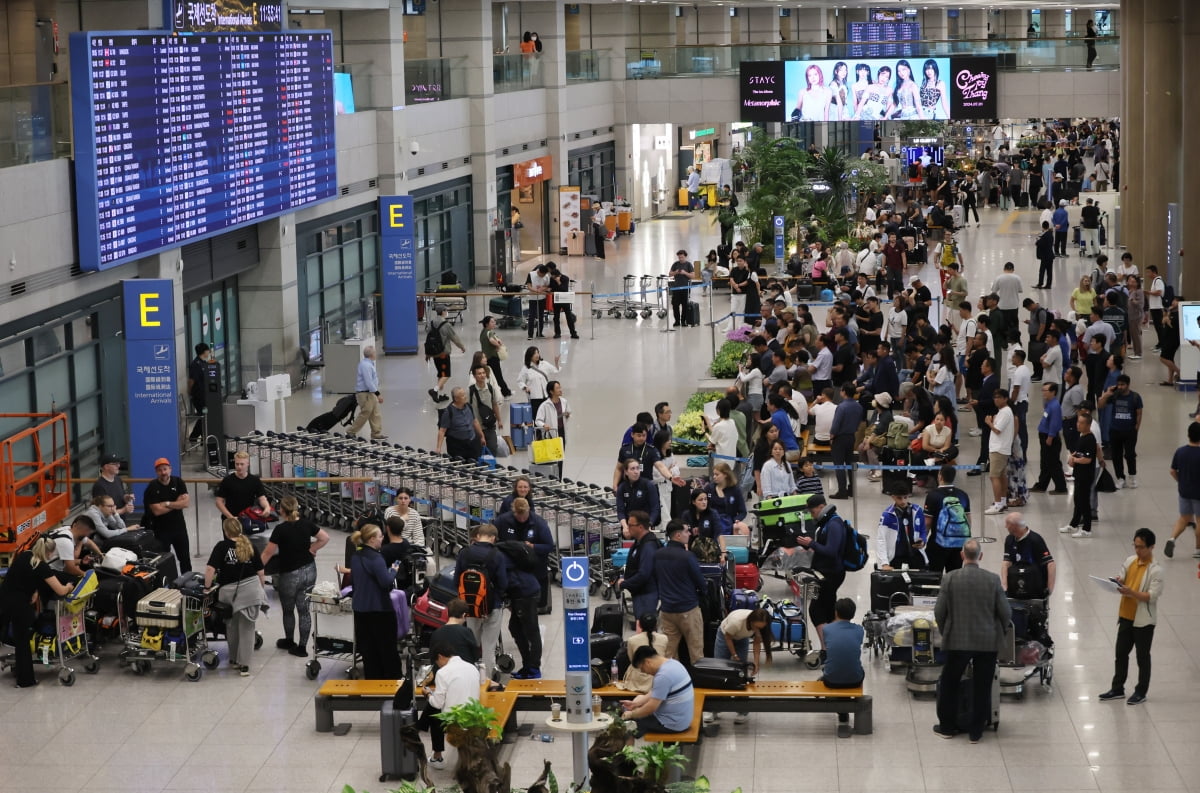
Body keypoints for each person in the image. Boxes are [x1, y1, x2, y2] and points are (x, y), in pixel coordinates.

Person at [933, 539, 1010, 742]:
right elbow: (1006, 613)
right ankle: (976, 731)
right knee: (983, 686)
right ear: (981, 556)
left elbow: (939, 612)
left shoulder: (950, 578)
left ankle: (948, 727)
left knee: (950, 682)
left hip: (957, 641)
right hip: (987, 642)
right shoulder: (993, 580)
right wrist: (998, 632)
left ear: (961, 555)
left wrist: (946, 631)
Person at [1097, 529, 1163, 706]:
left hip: (1143, 621)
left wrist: (1131, 592)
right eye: (1135, 546)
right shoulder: (1130, 561)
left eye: (1141, 547)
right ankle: (1117, 688)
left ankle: (1141, 691)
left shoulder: (1156, 571)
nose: (1137, 550)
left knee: (1142, 657)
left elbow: (1151, 596)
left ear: (1151, 547)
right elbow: (1123, 577)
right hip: (1126, 616)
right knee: (1120, 654)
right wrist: (1118, 581)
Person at [0, 535, 74, 687]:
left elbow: (21, 576)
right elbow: (60, 590)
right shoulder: (42, 566)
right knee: (22, 643)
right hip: (20, 605)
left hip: (4, 599)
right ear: (48, 553)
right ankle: (25, 681)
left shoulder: (24, 555)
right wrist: (69, 587)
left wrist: (34, 591)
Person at [260, 496, 329, 656]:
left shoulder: (281, 529)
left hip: (289, 574)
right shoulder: (306, 524)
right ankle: (302, 647)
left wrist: (257, 569)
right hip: (309, 570)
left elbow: (268, 552)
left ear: (282, 511)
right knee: (304, 610)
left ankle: (289, 640)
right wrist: (313, 549)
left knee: (288, 610)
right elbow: (325, 537)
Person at [204, 518, 268, 676]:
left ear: (226, 532)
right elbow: (261, 572)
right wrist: (261, 590)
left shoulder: (221, 546)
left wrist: (207, 588)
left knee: (231, 626)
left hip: (229, 593)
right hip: (251, 591)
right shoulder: (249, 545)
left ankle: (233, 659)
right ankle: (244, 665)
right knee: (247, 629)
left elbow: (210, 570)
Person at [454, 523, 508, 678]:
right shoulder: (497, 555)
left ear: (478, 536)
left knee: (472, 643)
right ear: (492, 538)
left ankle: (470, 677)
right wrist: (496, 597)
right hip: (493, 606)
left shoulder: (465, 553)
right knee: (489, 646)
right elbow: (503, 583)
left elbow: (457, 580)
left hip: (471, 607)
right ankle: (487, 680)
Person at [795, 495, 845, 662]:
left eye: (812, 510)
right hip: (824, 573)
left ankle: (828, 649)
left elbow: (831, 551)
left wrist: (812, 544)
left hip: (832, 574)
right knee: (825, 610)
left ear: (822, 506)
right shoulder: (826, 522)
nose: (811, 514)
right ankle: (830, 647)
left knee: (819, 609)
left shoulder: (835, 523)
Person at [703, 607, 772, 725]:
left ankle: (742, 710)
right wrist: (734, 656)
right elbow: (728, 637)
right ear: (751, 621)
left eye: (760, 628)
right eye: (756, 627)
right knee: (719, 671)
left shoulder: (759, 625)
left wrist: (755, 662)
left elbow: (756, 643)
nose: (757, 630)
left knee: (741, 674)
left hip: (742, 638)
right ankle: (713, 709)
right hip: (725, 636)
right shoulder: (736, 621)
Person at [653, 520, 707, 664]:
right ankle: (697, 683)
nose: (689, 534)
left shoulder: (658, 555)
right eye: (686, 531)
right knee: (696, 653)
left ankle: (672, 683)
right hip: (688, 609)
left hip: (667, 610)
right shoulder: (687, 556)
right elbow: (700, 582)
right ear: (678, 535)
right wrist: (703, 594)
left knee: (668, 653)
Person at [420, 647, 479, 770]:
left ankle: (437, 756)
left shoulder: (443, 673)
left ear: (441, 656)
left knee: (433, 711)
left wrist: (428, 694)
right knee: (434, 708)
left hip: (454, 720)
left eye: (437, 663)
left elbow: (437, 703)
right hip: (474, 715)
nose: (439, 666)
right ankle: (419, 727)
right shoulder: (472, 667)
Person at [494, 497, 554, 614]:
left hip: (533, 568)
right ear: (513, 512)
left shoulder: (539, 523)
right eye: (518, 516)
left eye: (524, 515)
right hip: (511, 568)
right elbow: (492, 539)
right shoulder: (502, 521)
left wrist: (533, 547)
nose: (521, 519)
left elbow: (549, 546)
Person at [620, 645, 695, 736]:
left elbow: (651, 708)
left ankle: (627, 749)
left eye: (642, 669)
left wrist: (631, 714)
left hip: (672, 724)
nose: (644, 672)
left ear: (647, 662)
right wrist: (635, 704)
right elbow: (656, 691)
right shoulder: (673, 664)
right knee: (639, 700)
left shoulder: (663, 676)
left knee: (627, 725)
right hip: (683, 719)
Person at [142, 457, 192, 573]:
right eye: (160, 470)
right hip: (161, 531)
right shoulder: (152, 487)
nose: (163, 472)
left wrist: (167, 503)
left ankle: (188, 581)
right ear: (156, 472)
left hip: (179, 528)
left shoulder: (178, 482)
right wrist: (176, 503)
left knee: (185, 559)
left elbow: (186, 503)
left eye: (165, 469)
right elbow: (157, 511)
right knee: (163, 560)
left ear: (170, 469)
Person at [924, 465, 971, 573]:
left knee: (934, 576)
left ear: (940, 476)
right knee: (954, 576)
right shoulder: (963, 495)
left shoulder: (933, 495)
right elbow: (968, 520)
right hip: (958, 544)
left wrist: (922, 540)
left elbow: (927, 523)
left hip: (938, 544)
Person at [1164, 422, 1200, 559]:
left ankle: (1172, 538)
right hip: (1198, 493)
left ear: (1188, 435)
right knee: (1199, 520)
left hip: (1184, 491)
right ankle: (1198, 549)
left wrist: (1181, 481)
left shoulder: (1180, 451)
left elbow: (1172, 471)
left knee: (1184, 518)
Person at [999, 512, 1055, 598]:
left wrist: (1049, 589)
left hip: (1034, 585)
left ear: (1015, 526)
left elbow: (1050, 564)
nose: (1005, 526)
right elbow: (1006, 562)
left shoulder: (1035, 540)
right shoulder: (1009, 539)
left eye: (1007, 524)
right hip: (1016, 583)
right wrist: (1004, 587)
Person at [1099, 374, 1142, 488]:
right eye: (1118, 384)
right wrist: (1107, 394)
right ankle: (1120, 477)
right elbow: (1100, 405)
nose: (1120, 387)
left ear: (1128, 385)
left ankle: (1132, 476)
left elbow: (1139, 413)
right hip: (1115, 431)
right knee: (1116, 455)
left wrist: (1136, 428)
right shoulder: (1114, 396)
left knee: (1130, 454)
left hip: (1129, 431)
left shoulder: (1135, 397)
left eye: (1122, 385)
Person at [1062, 413, 1098, 538]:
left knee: (1084, 502)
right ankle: (1074, 524)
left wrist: (1075, 460)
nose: (1078, 424)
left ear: (1088, 425)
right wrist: (1072, 457)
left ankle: (1087, 529)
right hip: (1079, 475)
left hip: (1085, 476)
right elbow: (1079, 453)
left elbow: (1087, 459)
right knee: (1077, 500)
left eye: (1082, 423)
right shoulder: (1081, 436)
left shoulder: (1090, 439)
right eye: (1078, 422)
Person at [876, 482, 927, 570]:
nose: (903, 501)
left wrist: (922, 541)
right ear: (893, 497)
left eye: (905, 497)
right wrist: (884, 563)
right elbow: (881, 540)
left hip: (916, 556)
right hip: (896, 557)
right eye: (899, 498)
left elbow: (923, 530)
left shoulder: (918, 511)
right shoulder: (887, 515)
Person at [215, 451, 271, 527]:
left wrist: (267, 507)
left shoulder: (254, 480)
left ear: (248, 464)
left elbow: (262, 498)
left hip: (248, 518)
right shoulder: (227, 480)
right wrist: (230, 517)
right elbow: (219, 502)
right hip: (230, 520)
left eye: (242, 464)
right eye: (237, 464)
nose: (239, 467)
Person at [616, 613, 670, 693]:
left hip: (637, 681)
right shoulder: (664, 638)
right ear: (656, 624)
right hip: (657, 679)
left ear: (640, 625)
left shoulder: (632, 640)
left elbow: (633, 660)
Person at [1031, 381, 1068, 494]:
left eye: (1045, 390)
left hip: (1049, 437)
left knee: (1053, 463)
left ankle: (1061, 487)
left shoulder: (1055, 406)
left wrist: (1050, 436)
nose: (1043, 393)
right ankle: (1042, 485)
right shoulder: (1049, 404)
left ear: (1053, 392)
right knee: (1045, 463)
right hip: (1044, 435)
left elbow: (1055, 423)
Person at [830, 383, 864, 499]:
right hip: (851, 437)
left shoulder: (841, 407)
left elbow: (836, 424)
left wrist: (832, 436)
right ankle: (852, 489)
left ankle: (842, 490)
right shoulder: (858, 406)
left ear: (843, 391)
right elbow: (859, 422)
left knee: (839, 465)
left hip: (840, 438)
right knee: (849, 463)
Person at [984, 388, 1015, 515]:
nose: (995, 399)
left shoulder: (1005, 412)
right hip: (1001, 447)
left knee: (994, 476)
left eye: (998, 397)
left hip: (999, 448)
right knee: (1002, 476)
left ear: (1005, 398)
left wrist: (989, 423)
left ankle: (997, 504)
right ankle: (1002, 502)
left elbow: (997, 430)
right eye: (994, 397)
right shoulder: (1003, 411)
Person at [346, 345, 387, 437]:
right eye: (375, 352)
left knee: (375, 413)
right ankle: (351, 431)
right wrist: (378, 394)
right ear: (371, 354)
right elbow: (368, 382)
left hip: (370, 392)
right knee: (366, 412)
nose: (376, 354)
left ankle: (376, 433)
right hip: (365, 393)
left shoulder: (368, 364)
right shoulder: (365, 366)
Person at [435, 387, 485, 461]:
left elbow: (475, 421)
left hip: (472, 442)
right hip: (457, 446)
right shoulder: (448, 411)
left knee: (475, 465)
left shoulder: (469, 406)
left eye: (464, 394)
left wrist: (482, 436)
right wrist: (438, 448)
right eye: (462, 396)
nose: (465, 397)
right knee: (460, 468)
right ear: (456, 399)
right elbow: (442, 431)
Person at [429, 598, 481, 664]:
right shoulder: (466, 632)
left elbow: (432, 658)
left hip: (442, 672)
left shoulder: (436, 633)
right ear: (464, 615)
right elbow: (475, 656)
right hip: (464, 671)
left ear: (447, 613)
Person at [615, 458, 662, 532]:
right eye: (632, 469)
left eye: (637, 468)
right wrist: (625, 526)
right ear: (626, 472)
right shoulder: (622, 487)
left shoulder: (648, 484)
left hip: (645, 524)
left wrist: (649, 524)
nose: (636, 471)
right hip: (629, 524)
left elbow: (655, 508)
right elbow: (620, 511)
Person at [468, 364, 504, 457]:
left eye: (483, 373)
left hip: (489, 426)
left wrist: (499, 420)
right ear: (474, 376)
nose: (482, 375)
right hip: (476, 428)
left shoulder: (490, 388)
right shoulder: (470, 391)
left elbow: (494, 404)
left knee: (492, 449)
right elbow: (466, 408)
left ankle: (491, 470)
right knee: (479, 453)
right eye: (479, 373)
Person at [705, 462, 750, 535]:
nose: (714, 477)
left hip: (729, 524)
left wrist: (736, 520)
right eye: (714, 474)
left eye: (717, 474)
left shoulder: (735, 490)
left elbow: (743, 511)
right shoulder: (709, 489)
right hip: (712, 524)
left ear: (725, 475)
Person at [516, 345, 560, 419]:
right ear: (530, 356)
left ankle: (546, 430)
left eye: (537, 353)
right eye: (534, 353)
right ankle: (537, 430)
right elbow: (520, 381)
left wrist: (556, 363)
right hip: (535, 397)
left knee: (547, 416)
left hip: (546, 396)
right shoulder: (526, 368)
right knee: (537, 417)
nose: (537, 355)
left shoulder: (544, 364)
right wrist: (525, 387)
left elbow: (555, 370)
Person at [92, 453, 135, 520]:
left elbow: (121, 496)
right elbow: (102, 513)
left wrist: (126, 498)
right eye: (115, 464)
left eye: (118, 463)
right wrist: (123, 510)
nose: (118, 466)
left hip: (120, 522)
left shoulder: (118, 479)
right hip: (109, 526)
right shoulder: (99, 486)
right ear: (106, 466)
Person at [478, 316, 512, 397]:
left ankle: (493, 392)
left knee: (491, 376)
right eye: (492, 322)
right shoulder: (490, 332)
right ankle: (506, 393)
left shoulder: (483, 332)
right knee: (498, 376)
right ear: (487, 324)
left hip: (486, 358)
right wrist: (498, 346)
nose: (494, 323)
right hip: (493, 357)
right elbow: (491, 340)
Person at [547, 262, 580, 339]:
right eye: (552, 277)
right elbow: (552, 288)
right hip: (556, 299)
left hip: (565, 299)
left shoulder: (565, 278)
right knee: (556, 317)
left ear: (558, 276)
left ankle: (573, 333)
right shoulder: (552, 279)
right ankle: (557, 333)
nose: (553, 278)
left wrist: (558, 282)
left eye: (554, 277)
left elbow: (564, 289)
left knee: (569, 317)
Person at [187, 342, 211, 442]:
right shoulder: (195, 364)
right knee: (204, 415)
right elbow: (191, 380)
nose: (209, 352)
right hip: (198, 396)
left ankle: (201, 437)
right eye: (207, 350)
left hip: (204, 395)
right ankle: (195, 437)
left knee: (206, 415)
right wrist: (190, 392)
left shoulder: (203, 363)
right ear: (204, 351)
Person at [668, 250, 694, 327]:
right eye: (679, 257)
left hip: (685, 288)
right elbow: (670, 274)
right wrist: (675, 272)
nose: (680, 259)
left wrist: (685, 273)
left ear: (685, 256)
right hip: (676, 288)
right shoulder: (675, 264)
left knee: (685, 305)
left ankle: (683, 321)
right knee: (675, 305)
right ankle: (677, 321)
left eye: (682, 257)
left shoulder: (689, 265)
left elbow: (693, 276)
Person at [527, 264, 551, 339]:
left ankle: (539, 333)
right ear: (539, 272)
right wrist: (536, 290)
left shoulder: (546, 276)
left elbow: (547, 286)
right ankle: (530, 335)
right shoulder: (531, 274)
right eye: (542, 275)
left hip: (542, 298)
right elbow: (529, 286)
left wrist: (542, 289)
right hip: (533, 298)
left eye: (544, 275)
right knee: (532, 316)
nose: (543, 276)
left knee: (541, 316)